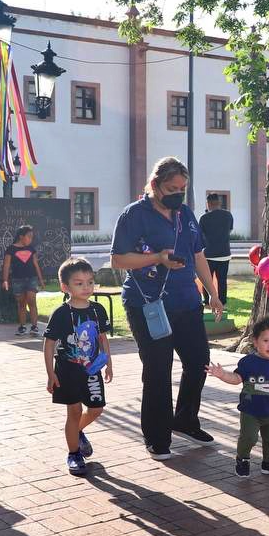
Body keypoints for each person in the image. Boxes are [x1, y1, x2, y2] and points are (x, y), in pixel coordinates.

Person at [111, 156, 224, 460]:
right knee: (158, 370)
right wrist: (157, 258)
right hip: (147, 304)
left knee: (199, 361)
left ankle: (185, 420)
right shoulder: (134, 215)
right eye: (172, 188)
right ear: (155, 185)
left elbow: (198, 254)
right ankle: (156, 436)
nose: (178, 193)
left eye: (183, 188)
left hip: (186, 301)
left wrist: (213, 293)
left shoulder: (185, 213)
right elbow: (118, 260)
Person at [206, 316, 269, 477]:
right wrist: (222, 375)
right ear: (255, 341)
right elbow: (236, 379)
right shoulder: (248, 362)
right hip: (250, 412)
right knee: (249, 437)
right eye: (266, 340)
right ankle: (243, 459)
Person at [44, 258, 114, 477]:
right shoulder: (61, 314)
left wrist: (109, 362)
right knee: (73, 412)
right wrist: (50, 373)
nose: (86, 287)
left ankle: (77, 431)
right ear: (65, 287)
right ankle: (74, 453)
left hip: (92, 371)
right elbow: (48, 345)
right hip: (67, 371)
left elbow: (103, 338)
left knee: (96, 409)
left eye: (90, 282)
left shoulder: (98, 310)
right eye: (79, 283)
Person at [1, 225, 46, 337]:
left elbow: (36, 264)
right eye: (29, 237)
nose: (31, 239)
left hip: (31, 278)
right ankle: (22, 326)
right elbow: (6, 265)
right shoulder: (11, 249)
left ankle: (34, 326)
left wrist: (40, 279)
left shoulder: (31, 249)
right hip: (17, 280)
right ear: (21, 237)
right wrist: (5, 280)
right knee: (21, 303)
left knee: (32, 300)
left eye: (32, 237)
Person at [198, 193, 234, 307]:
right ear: (219, 203)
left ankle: (207, 301)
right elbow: (230, 230)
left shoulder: (204, 218)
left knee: (206, 279)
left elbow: (200, 236)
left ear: (208, 203)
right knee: (222, 280)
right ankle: (222, 302)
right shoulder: (228, 215)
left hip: (208, 254)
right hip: (224, 253)